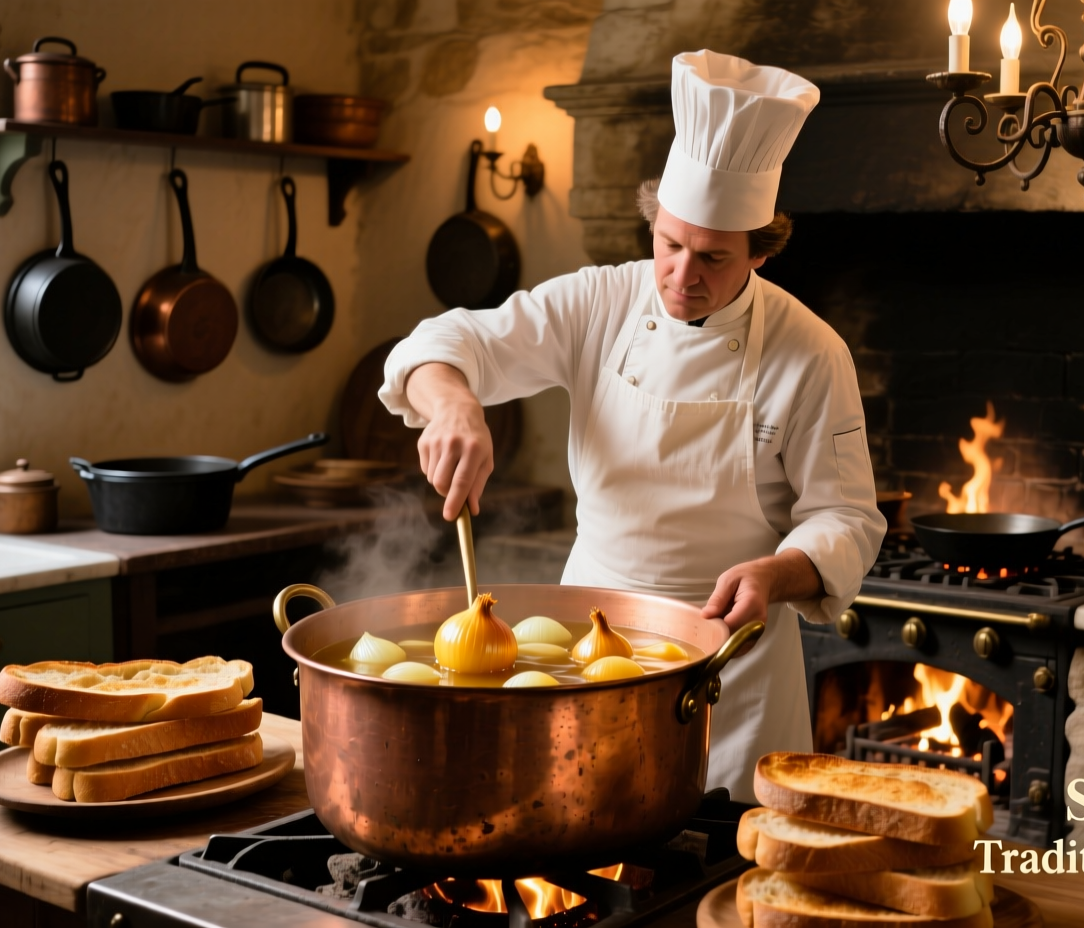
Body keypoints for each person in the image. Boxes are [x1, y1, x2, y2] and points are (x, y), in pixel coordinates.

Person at [379, 49, 884, 803]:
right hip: (584, 646)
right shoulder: (600, 303)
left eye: (713, 258)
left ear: (761, 253)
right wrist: (454, 404)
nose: (682, 275)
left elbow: (846, 517)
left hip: (729, 664)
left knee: (723, 859)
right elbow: (442, 344)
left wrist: (777, 574)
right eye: (669, 244)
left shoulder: (810, 352)